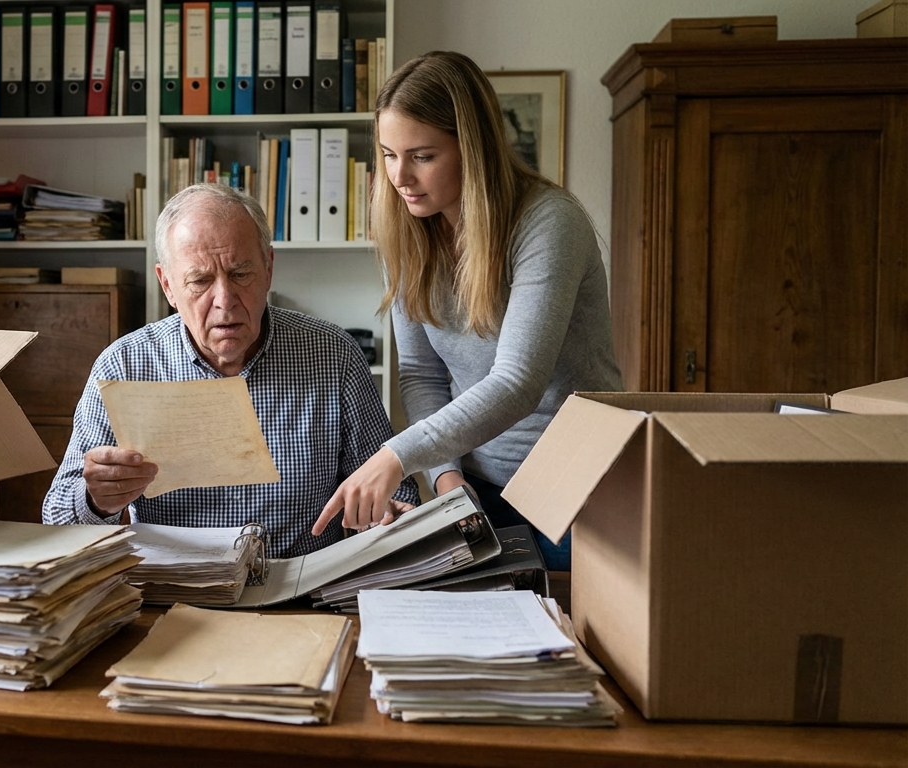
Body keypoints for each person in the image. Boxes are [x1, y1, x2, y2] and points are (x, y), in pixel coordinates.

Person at [312, 51, 622, 570]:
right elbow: (421, 374)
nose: (400, 177)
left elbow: (518, 382)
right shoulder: (407, 233)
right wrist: (446, 477)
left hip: (576, 488)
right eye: (389, 154)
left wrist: (396, 456)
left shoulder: (549, 223)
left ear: (472, 149)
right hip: (476, 483)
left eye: (422, 156)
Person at [43, 183, 418, 558]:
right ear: (168, 285)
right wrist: (97, 502)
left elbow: (394, 493)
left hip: (303, 593)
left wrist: (382, 514)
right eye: (200, 281)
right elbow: (57, 517)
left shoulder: (334, 355)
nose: (224, 301)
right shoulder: (124, 365)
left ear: (269, 268)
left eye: (240, 274)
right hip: (176, 593)